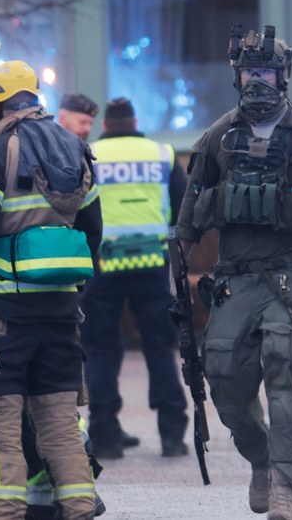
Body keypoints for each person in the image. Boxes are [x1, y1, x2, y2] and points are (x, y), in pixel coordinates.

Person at [175, 25, 292, 520]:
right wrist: (174, 267)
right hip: (235, 276)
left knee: (282, 369)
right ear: (236, 77)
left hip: (289, 276)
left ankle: (286, 482)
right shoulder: (219, 137)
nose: (256, 83)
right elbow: (190, 212)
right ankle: (262, 460)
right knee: (224, 380)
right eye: (248, 73)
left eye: (265, 72)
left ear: (283, 77)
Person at [0, 60, 101, 520]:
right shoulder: (76, 148)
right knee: (59, 423)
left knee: (0, 425)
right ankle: (78, 505)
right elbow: (93, 231)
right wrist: (71, 290)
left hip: (4, 314)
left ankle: (1, 513)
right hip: (60, 310)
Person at [81, 97, 189, 460]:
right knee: (160, 348)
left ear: (106, 125)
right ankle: (172, 434)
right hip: (151, 263)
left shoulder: (89, 153)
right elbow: (182, 207)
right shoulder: (162, 154)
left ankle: (106, 435)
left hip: (102, 265)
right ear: (135, 121)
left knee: (101, 349)